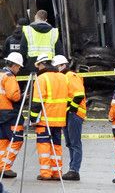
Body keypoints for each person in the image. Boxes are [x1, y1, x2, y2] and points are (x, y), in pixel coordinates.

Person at [29, 53, 68, 181]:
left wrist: (33, 119)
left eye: (38, 66)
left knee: (44, 146)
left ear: (42, 64)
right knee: (57, 146)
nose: (38, 69)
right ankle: (57, 172)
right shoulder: (62, 77)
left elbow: (36, 102)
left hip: (45, 120)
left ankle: (46, 173)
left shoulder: (41, 78)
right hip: (59, 120)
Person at [52, 55, 85, 182]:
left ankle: (74, 170)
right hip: (68, 114)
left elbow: (79, 94)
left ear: (62, 65)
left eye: (56, 67)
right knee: (70, 143)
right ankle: (72, 169)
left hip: (74, 114)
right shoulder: (64, 77)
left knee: (75, 143)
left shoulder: (71, 76)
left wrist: (72, 109)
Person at [0, 52, 24, 178]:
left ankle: (1, 166)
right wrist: (22, 95)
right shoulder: (9, 77)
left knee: (3, 141)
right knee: (17, 139)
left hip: (1, 114)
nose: (19, 69)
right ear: (13, 65)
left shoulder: (0, 74)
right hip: (10, 113)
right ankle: (5, 167)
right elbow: (13, 96)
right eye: (19, 67)